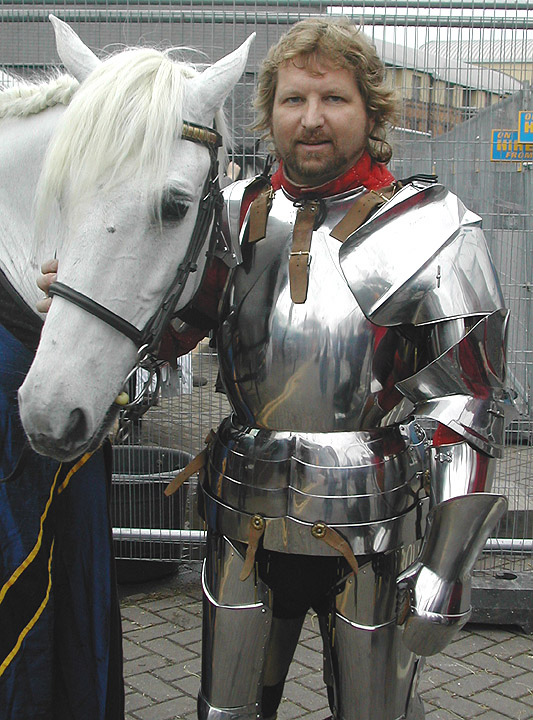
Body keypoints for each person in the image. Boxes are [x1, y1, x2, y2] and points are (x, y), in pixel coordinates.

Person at [39, 18, 512, 720]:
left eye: (333, 98)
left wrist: (446, 569)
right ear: (270, 112)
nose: (311, 119)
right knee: (225, 710)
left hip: (373, 523)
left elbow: (467, 404)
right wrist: (87, 300)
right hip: (243, 511)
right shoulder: (229, 213)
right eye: (293, 100)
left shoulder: (435, 226)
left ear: (371, 110)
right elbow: (172, 329)